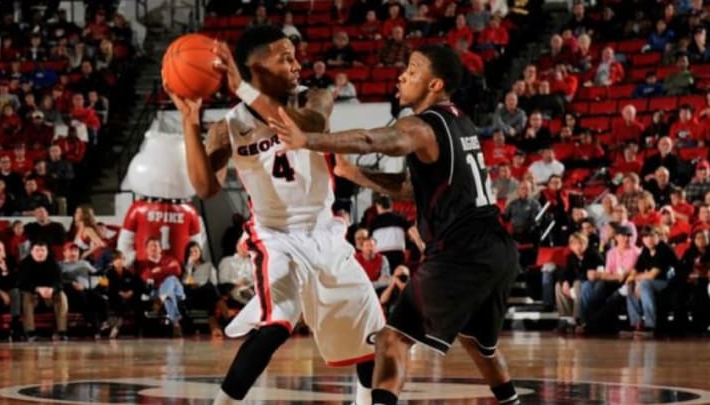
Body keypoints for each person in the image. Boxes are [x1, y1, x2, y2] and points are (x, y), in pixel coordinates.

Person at [270, 44, 521, 405]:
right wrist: (356, 174)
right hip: (498, 250)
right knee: (479, 345)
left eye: (414, 70)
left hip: (462, 252)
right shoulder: (459, 121)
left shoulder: (423, 125)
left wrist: (306, 140)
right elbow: (412, 189)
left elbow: (374, 139)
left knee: (391, 340)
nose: (402, 75)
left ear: (435, 85)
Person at [170, 26, 384, 405]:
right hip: (275, 236)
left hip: (326, 231)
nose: (297, 64)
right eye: (285, 58)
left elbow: (311, 127)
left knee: (370, 336)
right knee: (277, 322)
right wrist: (189, 121)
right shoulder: (228, 127)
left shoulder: (315, 98)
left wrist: (244, 90)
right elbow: (205, 188)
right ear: (255, 66)